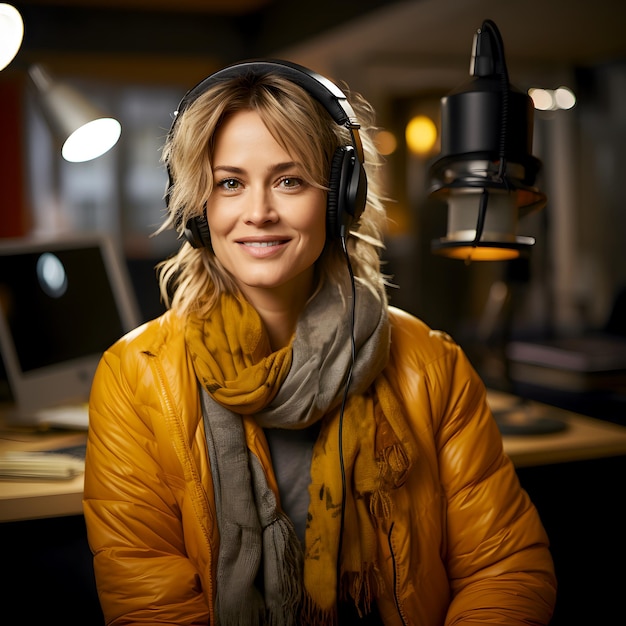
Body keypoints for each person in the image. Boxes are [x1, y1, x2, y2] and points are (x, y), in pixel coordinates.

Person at [83, 59, 557, 626]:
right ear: (196, 209)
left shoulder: (430, 362)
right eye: (229, 183)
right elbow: (148, 600)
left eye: (289, 180)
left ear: (341, 198)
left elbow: (504, 569)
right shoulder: (135, 375)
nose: (258, 213)